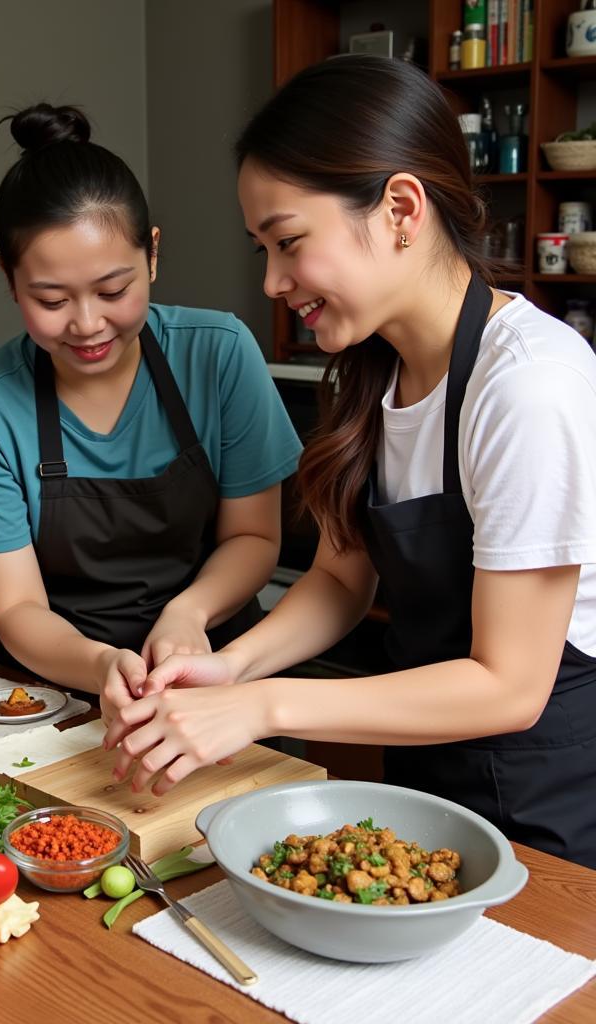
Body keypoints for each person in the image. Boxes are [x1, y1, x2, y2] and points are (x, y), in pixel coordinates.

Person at [104, 56, 596, 870]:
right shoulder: (374, 367)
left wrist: (259, 707)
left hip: (548, 800)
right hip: (428, 780)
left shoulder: (529, 385)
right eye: (263, 248)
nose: (271, 280)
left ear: (402, 208)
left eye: (289, 242)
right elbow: (340, 579)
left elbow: (511, 684)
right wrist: (223, 669)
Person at [0, 104, 301, 714]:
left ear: (152, 254)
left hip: (215, 672)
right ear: (8, 278)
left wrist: (187, 614)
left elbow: (255, 535)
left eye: (113, 290)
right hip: (55, 691)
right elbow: (18, 607)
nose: (87, 324)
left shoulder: (220, 353)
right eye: (50, 298)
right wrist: (101, 663)